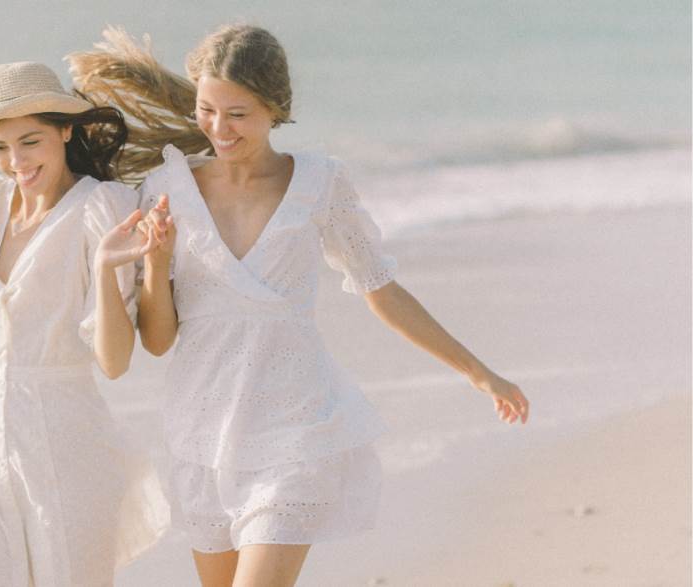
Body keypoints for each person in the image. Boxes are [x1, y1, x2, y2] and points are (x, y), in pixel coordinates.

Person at [70, 25, 530, 587]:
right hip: (204, 434)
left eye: (237, 114)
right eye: (207, 110)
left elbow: (382, 289)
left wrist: (479, 373)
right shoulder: (166, 189)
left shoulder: (319, 183)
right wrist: (158, 260)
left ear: (275, 108)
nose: (218, 128)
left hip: (295, 428)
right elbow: (159, 340)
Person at [0, 61, 167, 587]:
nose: (16, 162)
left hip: (62, 441)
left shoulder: (102, 208)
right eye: (0, 148)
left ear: (65, 131)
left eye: (30, 142)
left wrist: (103, 268)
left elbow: (114, 362)